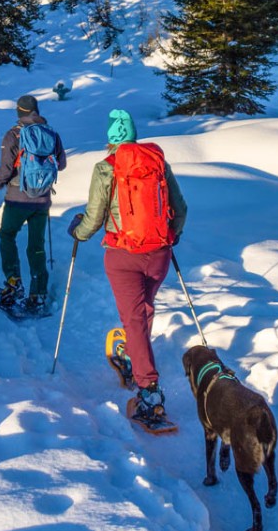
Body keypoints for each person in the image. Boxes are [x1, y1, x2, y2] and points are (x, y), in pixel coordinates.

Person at [68, 108, 188, 425]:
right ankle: (135, 355)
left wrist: (79, 232)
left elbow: (94, 217)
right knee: (144, 309)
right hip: (159, 252)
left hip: (123, 255)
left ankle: (149, 389)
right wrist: (171, 236)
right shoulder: (157, 162)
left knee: (134, 317)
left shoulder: (106, 167)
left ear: (111, 139)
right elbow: (180, 207)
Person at [0, 94, 67, 313]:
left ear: (18, 112)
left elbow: (5, 170)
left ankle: (14, 283)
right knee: (36, 245)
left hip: (17, 198)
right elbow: (60, 165)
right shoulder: (51, 133)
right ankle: (38, 293)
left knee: (7, 235)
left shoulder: (13, 135)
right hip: (42, 200)